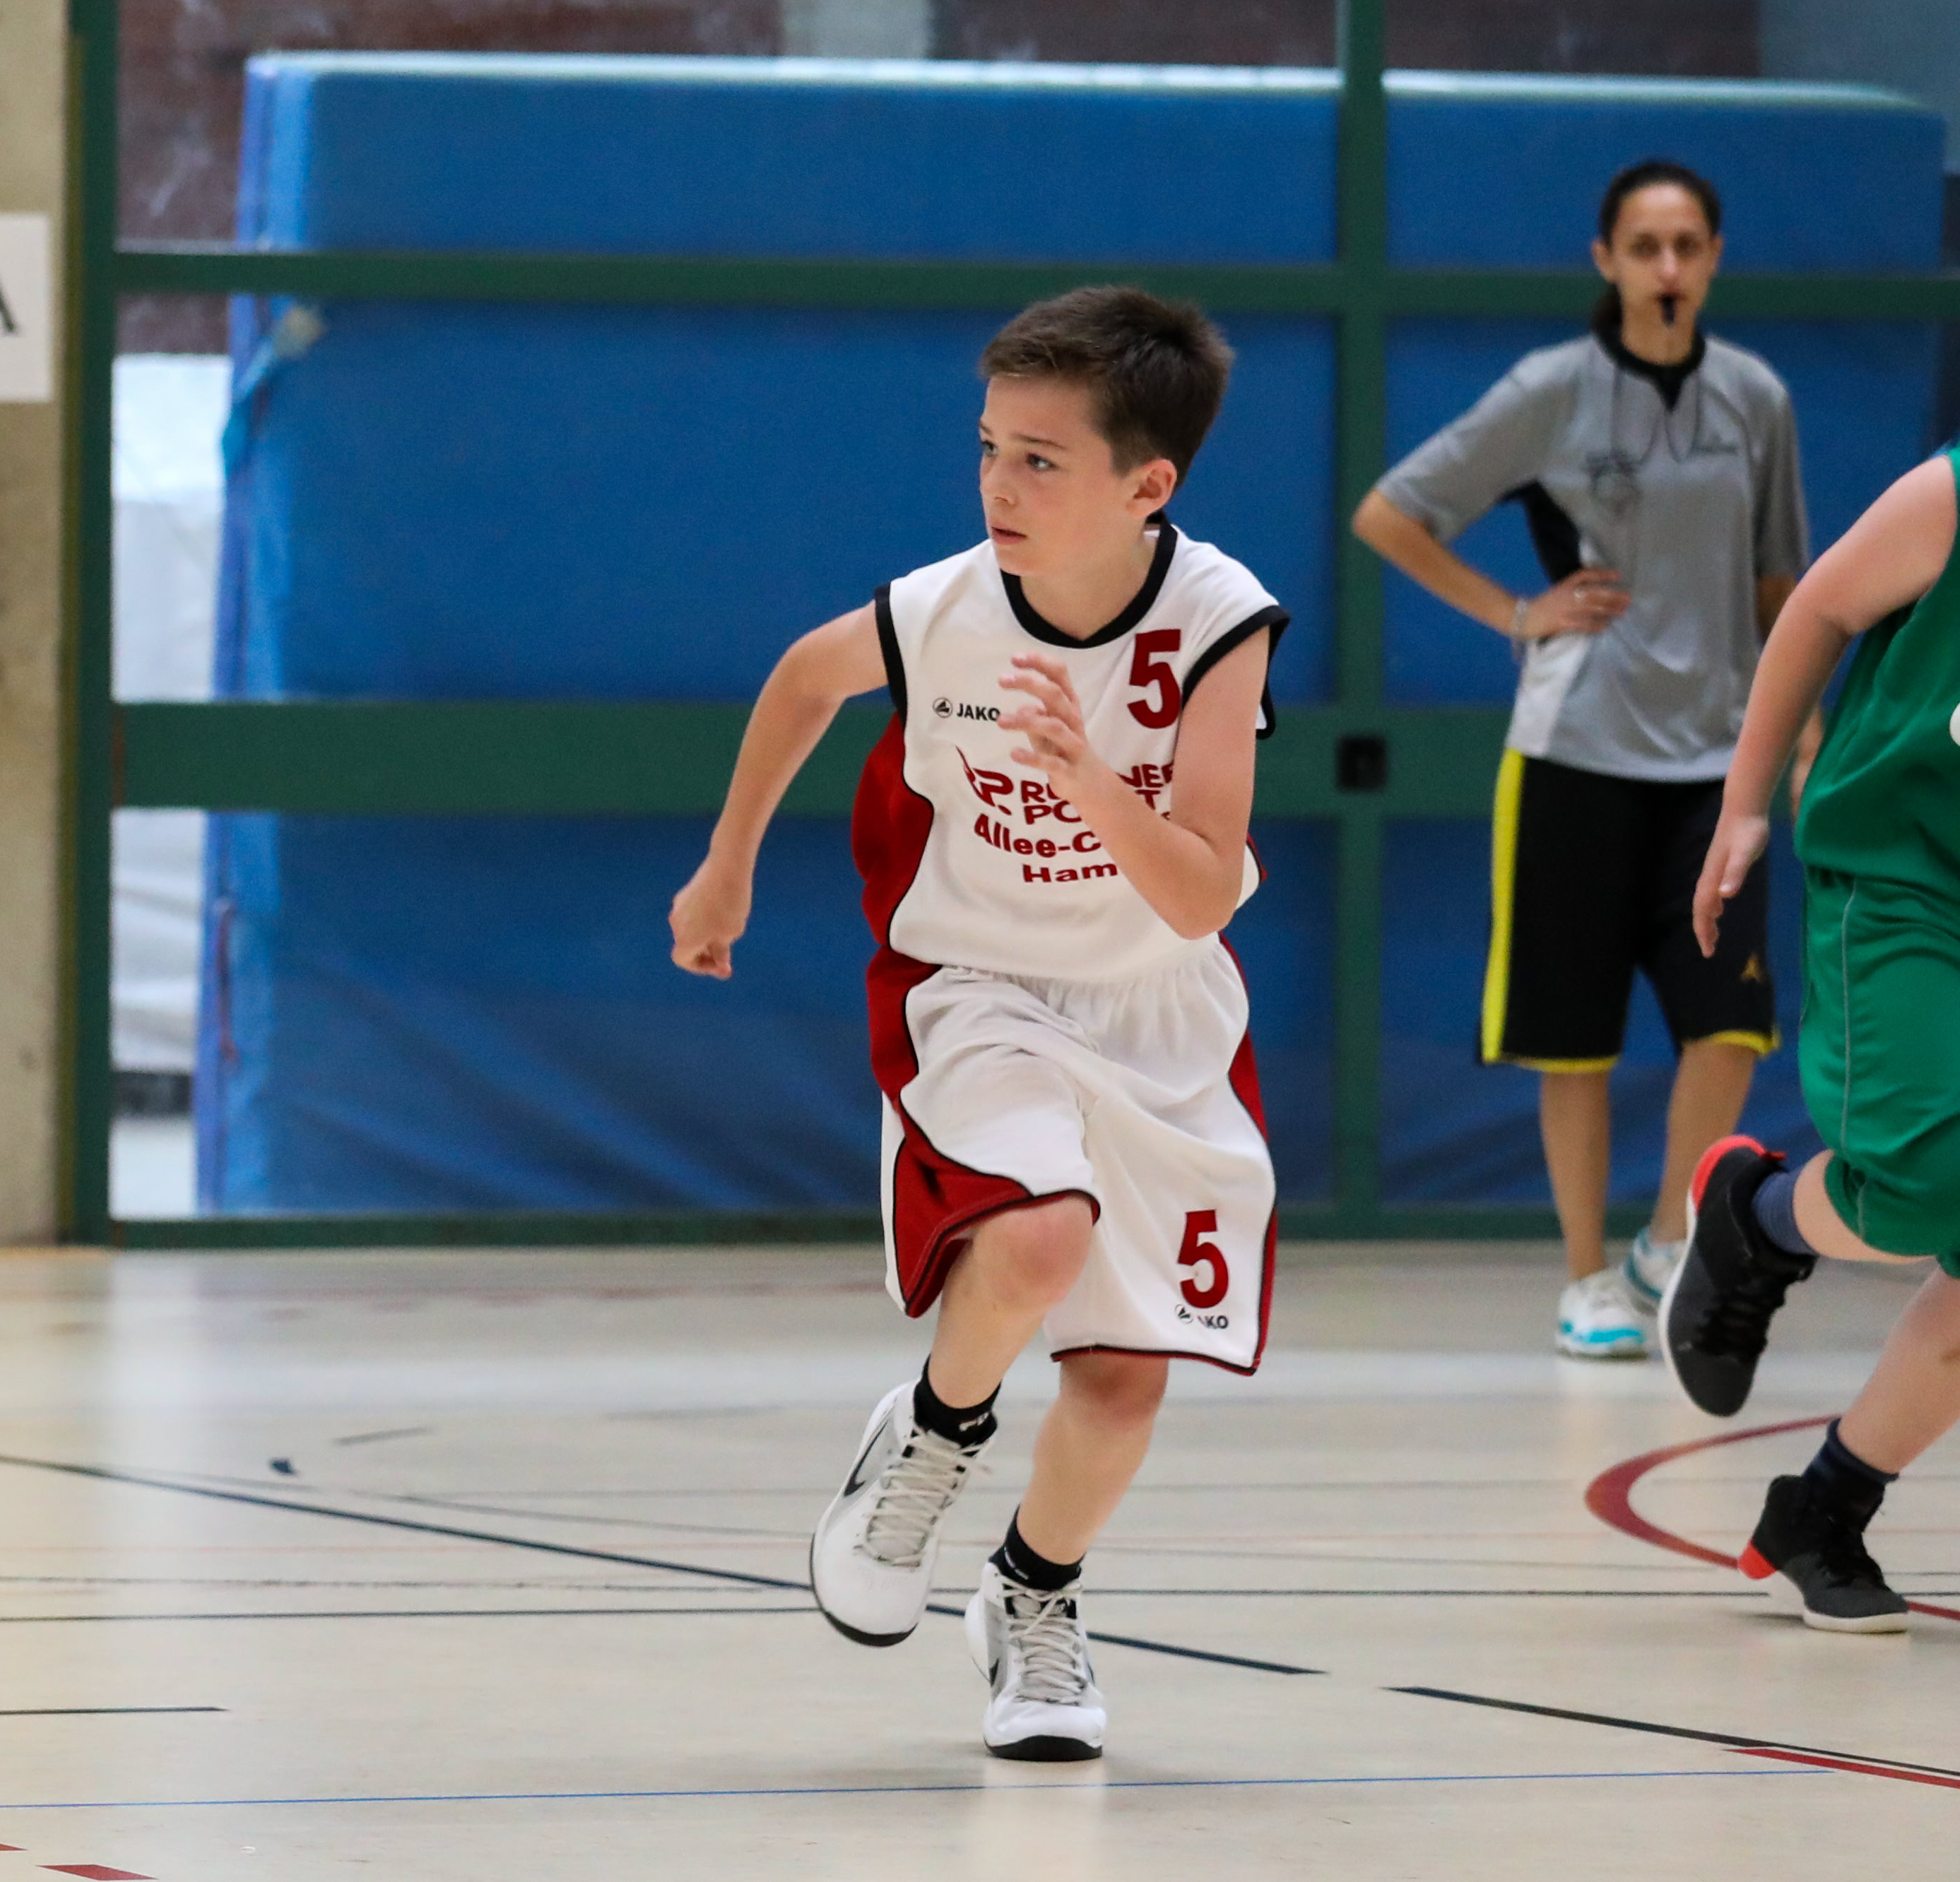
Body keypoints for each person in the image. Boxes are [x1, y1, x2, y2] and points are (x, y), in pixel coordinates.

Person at [671, 286, 1284, 1762]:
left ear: (1147, 484)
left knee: (1123, 1382)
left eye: (1041, 461)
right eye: (991, 449)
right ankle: (934, 1438)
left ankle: (1030, 1595)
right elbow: (802, 679)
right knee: (1037, 1237)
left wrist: (1087, 782)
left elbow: (1200, 892)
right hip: (979, 986)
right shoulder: (941, 609)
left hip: (1156, 1009)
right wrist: (729, 861)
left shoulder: (1216, 623)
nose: (999, 485)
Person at [1352, 159, 1810, 1359]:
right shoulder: (1549, 390)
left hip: (1716, 764)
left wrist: (1801, 723)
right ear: (1605, 260)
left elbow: (1782, 583)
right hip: (1572, 757)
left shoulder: (1754, 398)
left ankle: (1665, 1241)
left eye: (1686, 245)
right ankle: (1582, 1277)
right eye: (1644, 246)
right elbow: (1389, 513)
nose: (1667, 266)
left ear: (1713, 259)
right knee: (1573, 1041)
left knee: (1729, 1024)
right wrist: (1515, 612)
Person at [1663, 443, 1960, 1633]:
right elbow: (1817, 610)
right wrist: (1742, 804)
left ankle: (1821, 1511)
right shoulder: (1949, 495)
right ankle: (1760, 1217)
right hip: (1904, 883)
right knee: (1924, 1180)